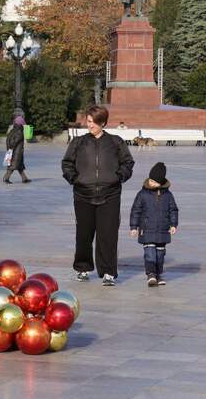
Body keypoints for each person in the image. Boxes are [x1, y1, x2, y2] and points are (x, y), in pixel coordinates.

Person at [61, 105, 135, 286]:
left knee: (108, 235)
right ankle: (83, 268)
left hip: (110, 195)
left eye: (93, 122)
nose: (90, 125)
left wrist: (119, 177)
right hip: (83, 194)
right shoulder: (78, 142)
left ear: (103, 122)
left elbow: (128, 162)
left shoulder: (116, 142)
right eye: (88, 121)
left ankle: (108, 272)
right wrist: (74, 179)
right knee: (84, 234)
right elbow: (67, 163)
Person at [129, 162, 178, 287]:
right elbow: (136, 210)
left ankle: (158, 274)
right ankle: (151, 274)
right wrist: (134, 227)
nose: (151, 183)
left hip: (162, 230)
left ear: (160, 183)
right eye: (150, 180)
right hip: (147, 229)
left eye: (154, 182)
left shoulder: (168, 195)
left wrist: (173, 225)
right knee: (150, 253)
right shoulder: (143, 194)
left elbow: (173, 210)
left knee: (160, 254)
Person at [4, 115, 31, 184]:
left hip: (13, 151)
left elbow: (8, 139)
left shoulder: (12, 130)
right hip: (17, 152)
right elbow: (16, 141)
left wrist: (9, 149)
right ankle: (6, 178)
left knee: (20, 166)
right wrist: (11, 147)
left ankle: (24, 179)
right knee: (13, 166)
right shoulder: (19, 131)